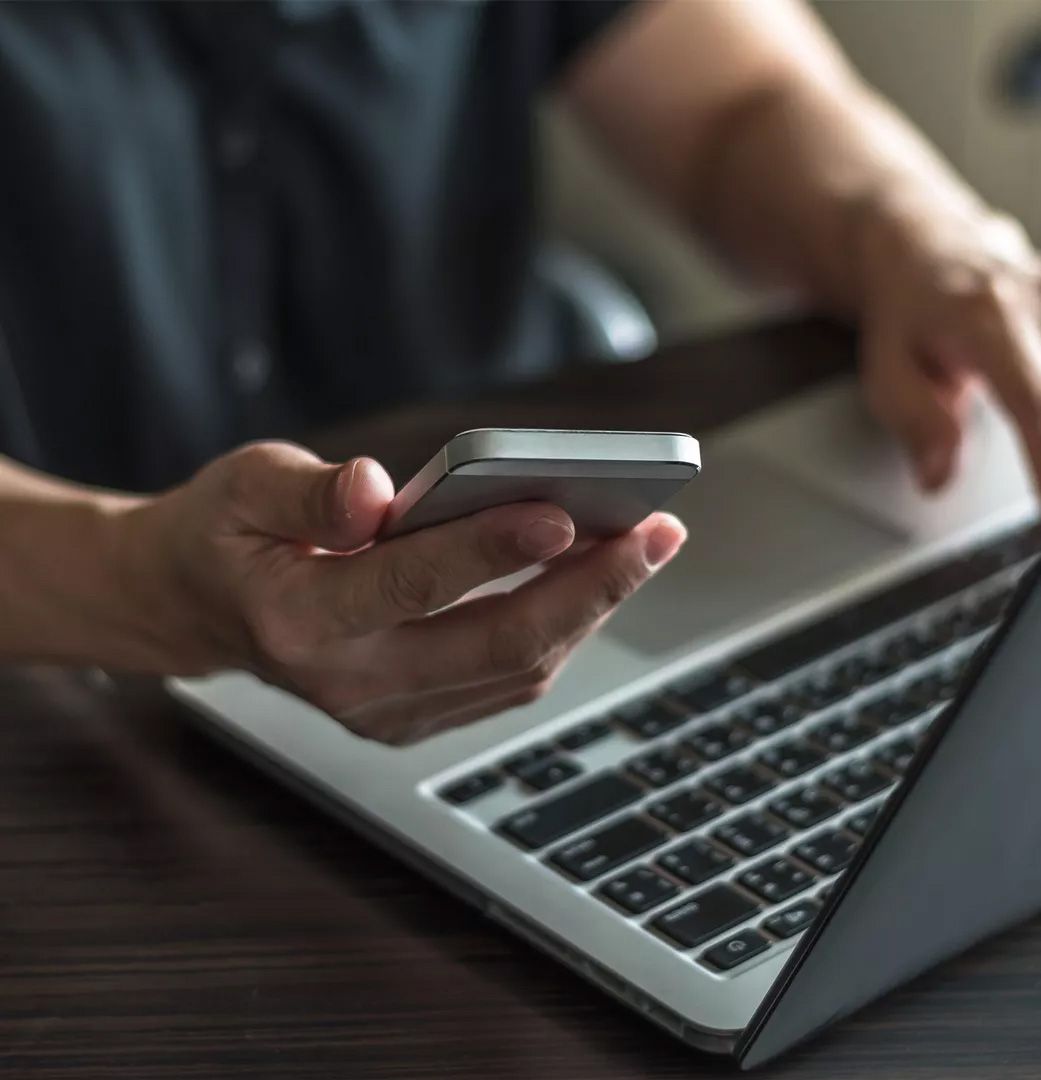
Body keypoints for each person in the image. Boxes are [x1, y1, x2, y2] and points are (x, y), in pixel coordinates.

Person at [2, 1, 1040, 746]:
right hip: (60, 691)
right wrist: (143, 585)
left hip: (532, 612)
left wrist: (917, 234)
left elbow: (740, 96)